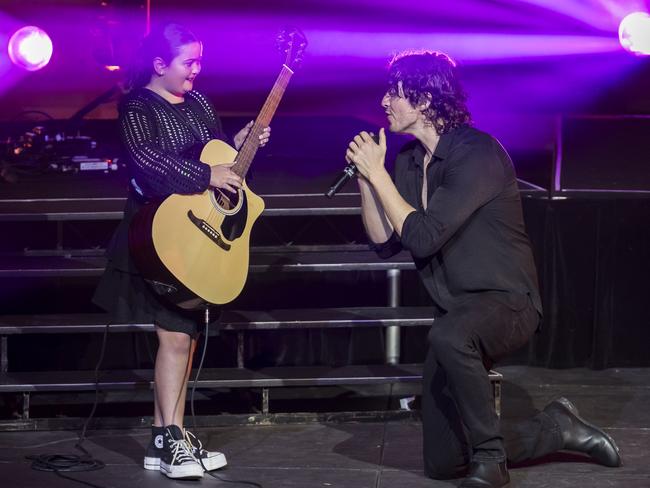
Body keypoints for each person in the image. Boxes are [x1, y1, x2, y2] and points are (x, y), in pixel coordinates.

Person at [346, 50, 621, 488]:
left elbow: (423, 236)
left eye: (393, 93)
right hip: (455, 313)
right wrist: (367, 179)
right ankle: (555, 428)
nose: (383, 102)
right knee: (444, 462)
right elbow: (385, 242)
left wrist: (379, 178)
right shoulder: (408, 162)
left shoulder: (477, 154)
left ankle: (493, 462)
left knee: (451, 335)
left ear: (423, 101)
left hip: (507, 301)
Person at [93, 23, 270, 480]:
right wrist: (205, 178)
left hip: (198, 232)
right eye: (188, 61)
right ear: (159, 65)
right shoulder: (136, 107)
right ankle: (170, 438)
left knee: (185, 336)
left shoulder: (200, 103)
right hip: (156, 235)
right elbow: (148, 164)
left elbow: (212, 157)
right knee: (174, 336)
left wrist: (238, 145)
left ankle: (164, 437)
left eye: (199, 60)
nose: (197, 69)